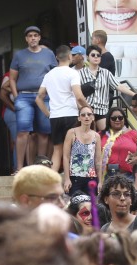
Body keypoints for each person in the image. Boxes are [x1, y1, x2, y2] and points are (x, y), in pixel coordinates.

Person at [35, 45, 89, 174]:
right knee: (76, 148)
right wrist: (88, 108)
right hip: (70, 115)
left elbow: (38, 98)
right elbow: (79, 96)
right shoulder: (72, 73)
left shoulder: (49, 75)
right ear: (70, 56)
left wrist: (48, 114)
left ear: (56, 58)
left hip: (55, 117)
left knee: (57, 150)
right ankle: (77, 178)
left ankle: (53, 180)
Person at [9, 26, 57, 170]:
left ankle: (40, 168)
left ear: (39, 37)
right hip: (24, 96)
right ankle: (19, 168)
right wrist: (16, 97)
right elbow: (12, 78)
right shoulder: (19, 55)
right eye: (30, 36)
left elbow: (55, 76)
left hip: (44, 97)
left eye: (35, 35)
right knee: (23, 132)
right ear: (26, 39)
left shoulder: (49, 54)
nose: (33, 38)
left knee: (44, 132)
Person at [80, 45, 136, 131]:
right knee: (88, 138)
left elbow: (118, 86)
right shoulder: (81, 73)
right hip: (87, 110)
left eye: (98, 55)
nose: (96, 57)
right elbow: (77, 93)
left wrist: (135, 94)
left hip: (102, 110)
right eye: (93, 55)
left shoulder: (106, 73)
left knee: (106, 136)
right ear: (88, 57)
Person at [63, 104, 103, 194]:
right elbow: (66, 157)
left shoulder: (96, 136)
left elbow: (98, 160)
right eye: (83, 115)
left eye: (89, 114)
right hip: (74, 177)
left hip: (91, 177)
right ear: (79, 118)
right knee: (75, 204)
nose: (86, 117)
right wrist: (66, 179)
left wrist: (100, 181)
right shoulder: (71, 133)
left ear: (93, 117)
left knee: (91, 204)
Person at [101, 107, 137, 179]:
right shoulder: (101, 135)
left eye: (120, 117)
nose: (117, 120)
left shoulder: (134, 134)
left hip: (128, 176)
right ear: (109, 120)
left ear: (124, 119)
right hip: (107, 175)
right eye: (114, 118)